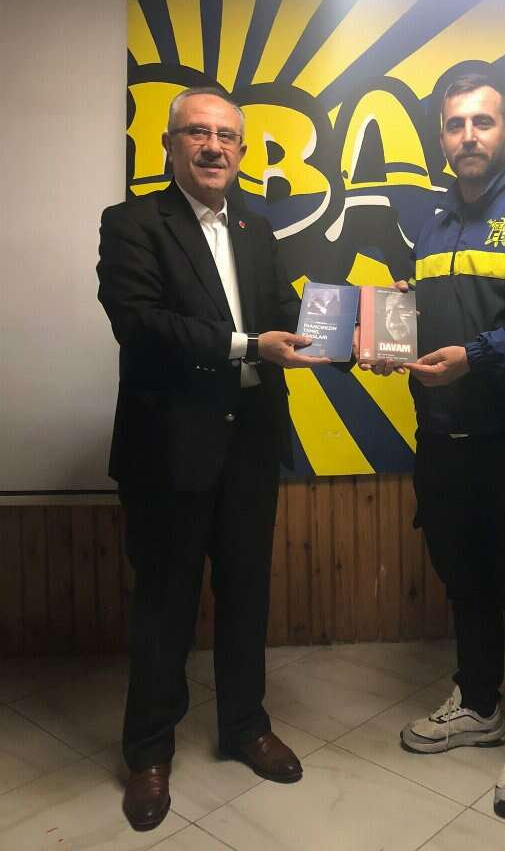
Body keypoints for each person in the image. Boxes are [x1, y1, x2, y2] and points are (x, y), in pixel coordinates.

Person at [97, 87, 330, 832]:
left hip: (251, 443)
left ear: (241, 150)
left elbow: (286, 316)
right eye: (197, 132)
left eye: (227, 136)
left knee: (246, 594)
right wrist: (246, 346)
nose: (213, 146)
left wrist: (362, 321)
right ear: (170, 145)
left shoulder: (257, 228)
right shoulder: (132, 223)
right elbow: (140, 324)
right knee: (163, 605)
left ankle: (244, 728)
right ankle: (148, 753)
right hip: (170, 448)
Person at [363, 73, 505, 819]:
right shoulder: (432, 229)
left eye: (482, 122)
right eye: (456, 123)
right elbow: (440, 318)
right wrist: (396, 329)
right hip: (442, 437)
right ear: (441, 137)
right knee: (462, 576)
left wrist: (474, 357)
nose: (468, 135)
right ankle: (481, 704)